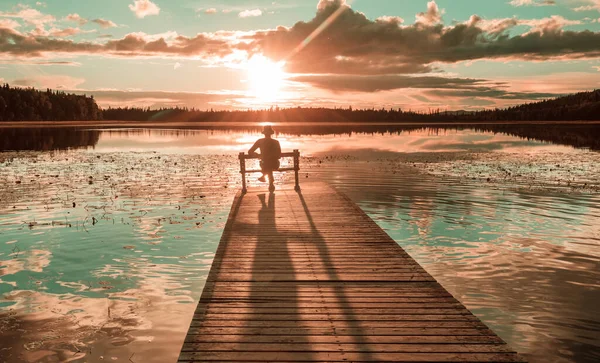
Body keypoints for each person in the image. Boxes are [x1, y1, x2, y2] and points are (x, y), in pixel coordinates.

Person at [248, 125, 281, 190]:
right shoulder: (276, 142)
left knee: (266, 163)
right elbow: (279, 155)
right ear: (271, 134)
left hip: (264, 164)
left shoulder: (260, 141)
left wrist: (258, 155)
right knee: (269, 164)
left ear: (264, 133)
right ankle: (270, 183)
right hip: (275, 164)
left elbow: (250, 151)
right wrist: (271, 157)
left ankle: (265, 178)